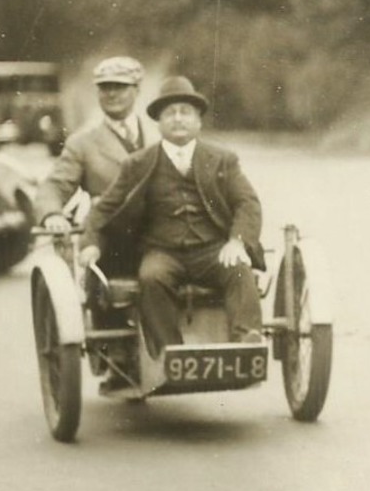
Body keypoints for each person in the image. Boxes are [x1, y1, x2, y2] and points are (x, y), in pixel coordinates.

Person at [79, 76, 264, 354]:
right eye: (170, 113)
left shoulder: (223, 159)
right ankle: (169, 354)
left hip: (213, 250)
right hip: (163, 253)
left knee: (239, 269)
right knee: (151, 278)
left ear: (198, 121)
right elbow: (103, 209)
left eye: (185, 112)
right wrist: (90, 244)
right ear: (159, 122)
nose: (178, 119)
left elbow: (248, 203)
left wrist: (237, 241)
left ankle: (246, 342)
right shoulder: (137, 164)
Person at [33, 56, 155, 242]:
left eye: (120, 86)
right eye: (105, 87)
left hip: (160, 240)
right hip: (109, 239)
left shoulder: (159, 136)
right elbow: (55, 186)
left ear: (137, 89)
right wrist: (52, 214)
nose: (111, 94)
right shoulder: (82, 143)